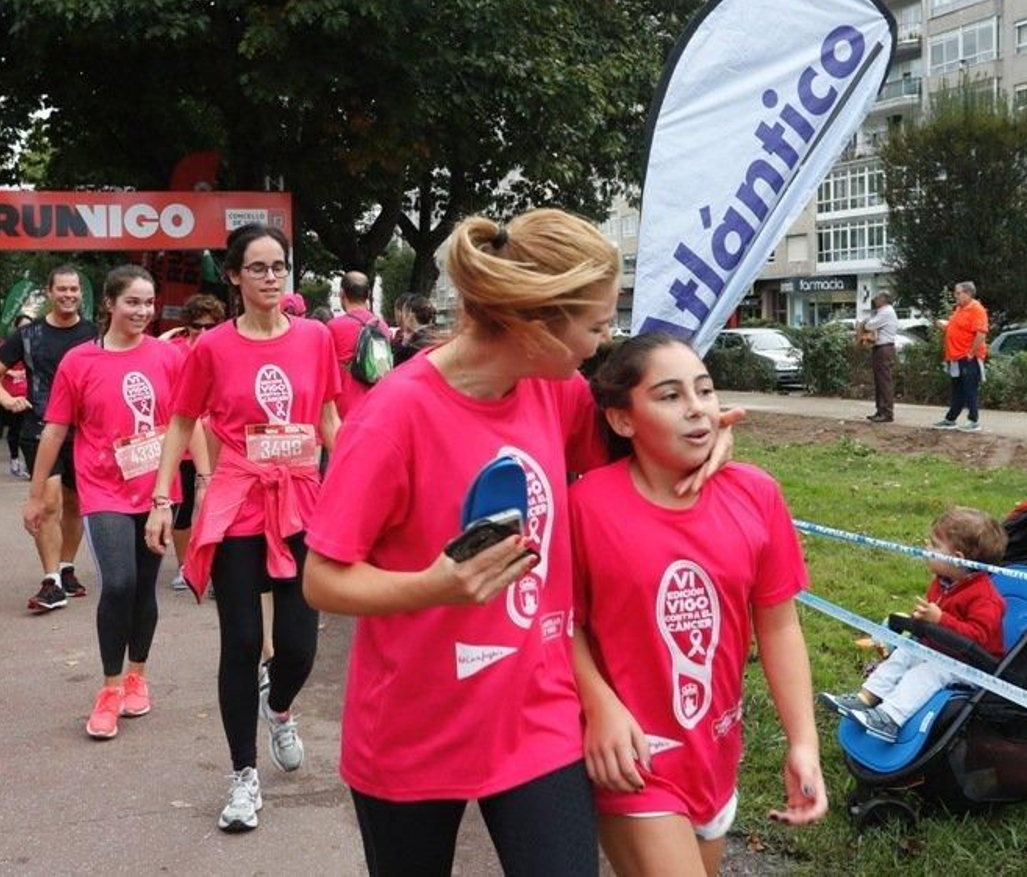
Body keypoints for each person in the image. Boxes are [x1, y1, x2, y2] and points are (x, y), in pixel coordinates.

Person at [301, 210, 740, 876]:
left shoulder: (554, 388)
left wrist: (707, 433)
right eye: (594, 325)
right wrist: (435, 586)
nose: (603, 341)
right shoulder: (394, 417)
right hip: (413, 728)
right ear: (537, 322)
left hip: (538, 714)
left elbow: (641, 442)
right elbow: (323, 579)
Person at [572, 333, 826, 876]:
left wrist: (803, 743)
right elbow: (560, 623)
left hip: (713, 755)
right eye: (669, 396)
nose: (696, 409)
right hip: (633, 760)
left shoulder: (756, 494)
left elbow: (779, 627)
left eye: (705, 391)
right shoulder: (586, 504)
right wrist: (599, 704)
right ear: (622, 420)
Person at [146, 224, 342, 834]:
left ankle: (278, 707)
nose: (270, 277)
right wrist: (161, 497)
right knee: (238, 642)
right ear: (233, 276)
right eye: (256, 268)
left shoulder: (315, 338)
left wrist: (360, 486)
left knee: (301, 647)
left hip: (302, 500)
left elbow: (330, 419)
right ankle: (243, 778)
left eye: (278, 266)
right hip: (237, 503)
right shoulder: (211, 349)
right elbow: (180, 422)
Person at [24, 266, 185, 739]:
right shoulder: (79, 362)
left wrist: (199, 482)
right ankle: (110, 687)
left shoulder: (169, 357)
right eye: (132, 302)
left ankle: (138, 674)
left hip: (157, 488)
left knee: (144, 586)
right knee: (118, 583)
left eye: (149, 303)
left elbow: (183, 422)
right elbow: (54, 429)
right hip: (103, 487)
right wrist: (36, 495)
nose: (142, 312)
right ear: (110, 304)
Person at [820, 507, 1006, 742]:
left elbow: (977, 638)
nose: (927, 550)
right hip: (938, 649)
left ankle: (889, 718)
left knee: (924, 675)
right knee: (903, 654)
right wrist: (920, 620)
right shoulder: (944, 582)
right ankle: (866, 698)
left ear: (956, 559)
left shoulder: (985, 598)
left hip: (969, 666)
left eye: (934, 546)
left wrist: (940, 620)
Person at [0, 266, 98, 611]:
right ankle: (51, 582)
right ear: (49, 292)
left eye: (74, 290)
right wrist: (6, 400)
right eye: (61, 289)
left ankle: (65, 569)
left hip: (85, 431)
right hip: (40, 428)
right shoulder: (29, 334)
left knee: (75, 504)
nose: (68, 295)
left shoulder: (94, 333)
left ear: (81, 294)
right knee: (49, 503)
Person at [157, 293, 227, 589]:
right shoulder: (173, 350)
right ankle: (185, 565)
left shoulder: (226, 349)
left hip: (221, 439)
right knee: (183, 509)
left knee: (219, 507)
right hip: (184, 441)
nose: (203, 331)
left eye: (211, 326)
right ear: (187, 326)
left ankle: (217, 569)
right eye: (197, 325)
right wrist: (163, 340)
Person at [327, 271, 392, 417]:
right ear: (368, 294)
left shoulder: (333, 327)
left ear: (342, 294)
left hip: (345, 409)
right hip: (377, 406)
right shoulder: (381, 326)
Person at [933, 281, 987, 432]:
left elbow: (981, 334)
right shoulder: (960, 309)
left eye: (958, 293)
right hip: (956, 356)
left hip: (967, 356)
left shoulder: (976, 309)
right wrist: (945, 326)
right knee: (957, 388)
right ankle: (951, 419)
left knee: (970, 388)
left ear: (968, 293)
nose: (955, 296)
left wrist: (971, 353)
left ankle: (973, 420)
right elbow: (956, 327)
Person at [0, 314, 34, 478]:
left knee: (31, 432)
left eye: (29, 327)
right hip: (12, 395)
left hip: (32, 395)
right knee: (14, 431)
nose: (26, 330)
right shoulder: (7, 346)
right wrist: (10, 371)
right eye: (22, 327)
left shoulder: (37, 345)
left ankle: (30, 464)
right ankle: (14, 461)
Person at [858, 290, 899, 423]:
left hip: (884, 348)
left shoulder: (886, 312)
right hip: (880, 347)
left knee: (884, 381)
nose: (875, 299)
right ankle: (880, 410)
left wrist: (864, 323)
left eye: (877, 297)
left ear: (884, 299)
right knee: (879, 380)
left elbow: (870, 325)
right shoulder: (883, 312)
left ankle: (887, 412)